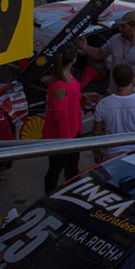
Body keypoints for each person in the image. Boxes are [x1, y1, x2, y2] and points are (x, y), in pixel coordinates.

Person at [41, 46, 83, 194]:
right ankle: (50, 194)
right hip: (62, 135)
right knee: (56, 169)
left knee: (72, 166)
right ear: (73, 59)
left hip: (73, 129)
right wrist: (66, 141)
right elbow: (60, 116)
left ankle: (73, 192)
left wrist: (84, 96)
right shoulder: (59, 85)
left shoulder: (65, 76)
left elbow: (73, 95)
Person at [92, 65, 135, 160]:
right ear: (132, 79)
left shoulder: (103, 103)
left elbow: (96, 132)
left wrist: (96, 151)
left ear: (114, 80)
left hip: (112, 153)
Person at [79, 10, 135, 90]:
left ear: (134, 28)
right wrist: (84, 46)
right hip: (114, 90)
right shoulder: (115, 39)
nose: (119, 28)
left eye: (123, 26)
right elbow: (99, 54)